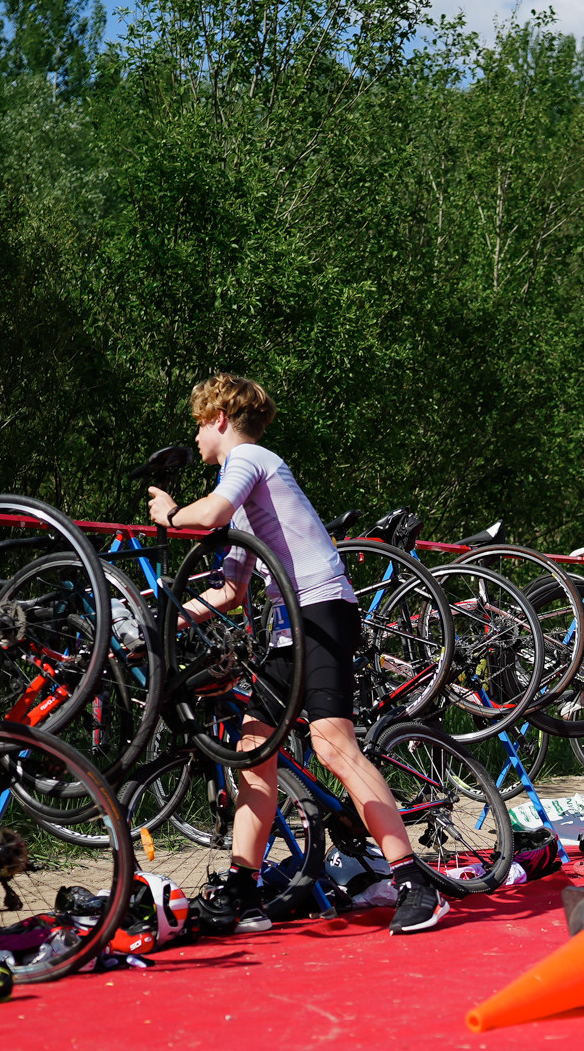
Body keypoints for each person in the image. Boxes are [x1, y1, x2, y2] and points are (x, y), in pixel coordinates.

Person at [145, 374, 454, 936]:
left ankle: (415, 881)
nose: (194, 436)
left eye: (197, 423)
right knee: (252, 748)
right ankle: (244, 886)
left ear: (219, 419)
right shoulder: (238, 493)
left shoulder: (250, 458)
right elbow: (230, 593)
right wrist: (156, 622)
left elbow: (210, 514)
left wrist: (169, 516)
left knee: (331, 744)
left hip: (322, 608)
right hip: (289, 622)